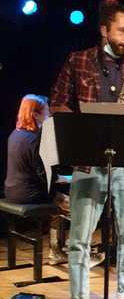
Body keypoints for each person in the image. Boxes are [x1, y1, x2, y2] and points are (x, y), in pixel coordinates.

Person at [50, 1, 124, 299]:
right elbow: (57, 104)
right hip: (89, 162)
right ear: (104, 30)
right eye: (122, 31)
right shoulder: (78, 60)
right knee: (79, 239)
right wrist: (85, 122)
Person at [4, 94, 69, 262]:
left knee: (60, 199)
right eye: (47, 112)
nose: (50, 115)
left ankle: (61, 247)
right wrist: (67, 178)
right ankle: (62, 250)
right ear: (35, 114)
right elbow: (44, 176)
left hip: (11, 191)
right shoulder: (34, 140)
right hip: (29, 195)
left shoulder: (15, 134)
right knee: (75, 206)